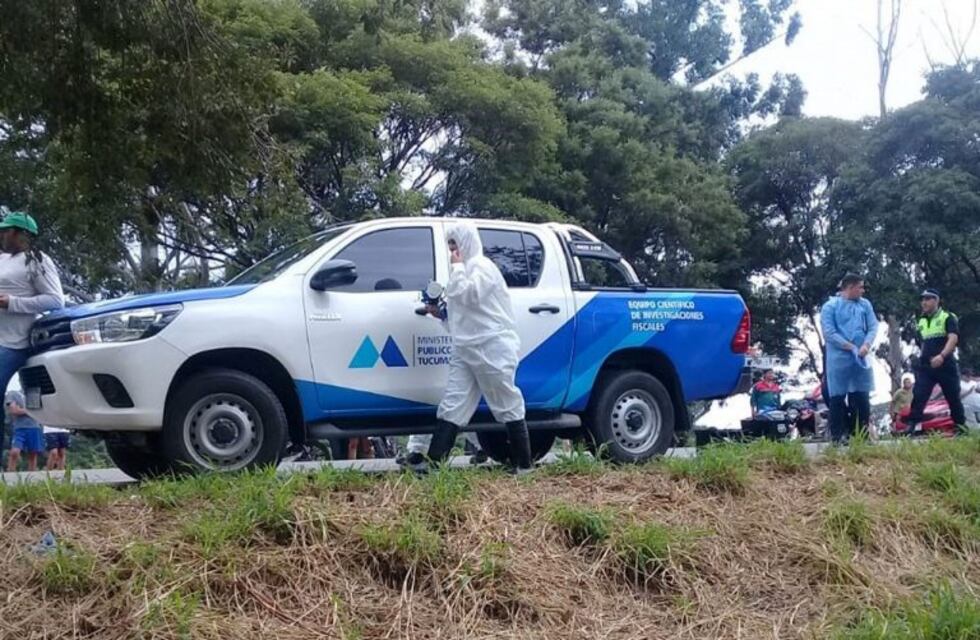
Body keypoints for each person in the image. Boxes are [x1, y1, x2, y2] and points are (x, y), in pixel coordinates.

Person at [415, 222, 532, 474]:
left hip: (491, 346)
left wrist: (457, 268)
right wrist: (441, 316)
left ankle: (524, 464)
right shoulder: (464, 270)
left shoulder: (482, 267)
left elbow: (469, 295)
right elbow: (463, 317)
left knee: (505, 399)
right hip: (466, 348)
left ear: (467, 242)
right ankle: (434, 464)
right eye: (450, 246)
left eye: (455, 245)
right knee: (454, 402)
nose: (452, 251)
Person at [820, 274, 879, 443]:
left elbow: (873, 326)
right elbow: (829, 333)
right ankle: (838, 435)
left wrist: (866, 345)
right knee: (837, 397)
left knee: (861, 396)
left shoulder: (865, 305)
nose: (862, 290)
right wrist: (849, 347)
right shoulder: (830, 307)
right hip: (839, 358)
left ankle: (861, 434)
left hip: (861, 357)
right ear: (850, 287)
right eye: (860, 287)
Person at [906, 289, 967, 434]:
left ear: (936, 300)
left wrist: (942, 355)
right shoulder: (920, 320)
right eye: (922, 300)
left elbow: (953, 338)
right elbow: (921, 341)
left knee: (952, 396)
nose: (924, 303)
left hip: (945, 364)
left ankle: (960, 426)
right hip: (927, 365)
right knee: (919, 394)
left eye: (927, 299)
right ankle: (912, 426)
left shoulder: (947, 317)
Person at [5, 390, 44, 471]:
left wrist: (22, 409)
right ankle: (10, 474)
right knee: (15, 452)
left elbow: (40, 410)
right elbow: (14, 410)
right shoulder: (13, 394)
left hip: (34, 426)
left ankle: (31, 476)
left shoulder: (34, 392)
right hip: (19, 428)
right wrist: (30, 410)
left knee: (33, 454)